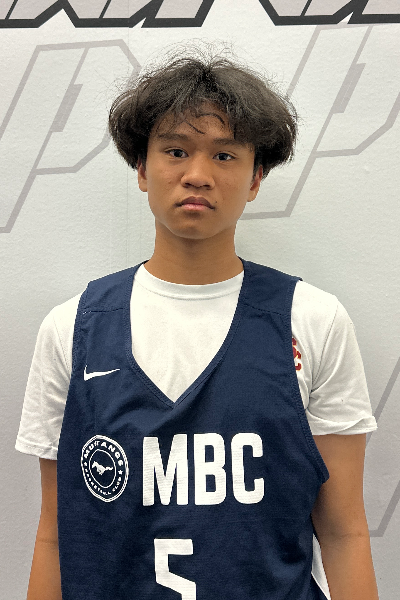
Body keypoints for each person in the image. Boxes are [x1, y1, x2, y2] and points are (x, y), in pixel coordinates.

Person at [16, 43, 379, 600]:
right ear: (143, 169)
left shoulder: (313, 320)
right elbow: (55, 535)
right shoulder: (72, 329)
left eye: (225, 155)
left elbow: (344, 531)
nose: (198, 175)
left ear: (256, 178)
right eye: (176, 151)